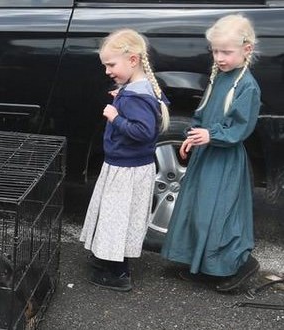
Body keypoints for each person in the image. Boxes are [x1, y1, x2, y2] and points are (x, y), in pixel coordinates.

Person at [160, 14, 261, 292]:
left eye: (226, 52)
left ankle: (236, 265)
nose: (219, 57)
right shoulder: (220, 77)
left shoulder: (247, 86)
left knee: (219, 216)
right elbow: (203, 113)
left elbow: (241, 127)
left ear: (246, 50)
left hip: (224, 161)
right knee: (197, 210)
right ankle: (201, 265)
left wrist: (212, 135)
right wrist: (193, 135)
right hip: (206, 156)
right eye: (215, 51)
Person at [79, 29, 170, 292]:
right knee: (118, 216)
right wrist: (122, 98)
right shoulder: (140, 88)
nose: (107, 71)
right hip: (129, 167)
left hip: (126, 168)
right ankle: (106, 260)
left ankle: (118, 274)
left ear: (132, 60)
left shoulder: (136, 96)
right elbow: (153, 110)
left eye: (111, 64)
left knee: (117, 218)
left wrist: (115, 116)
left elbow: (142, 131)